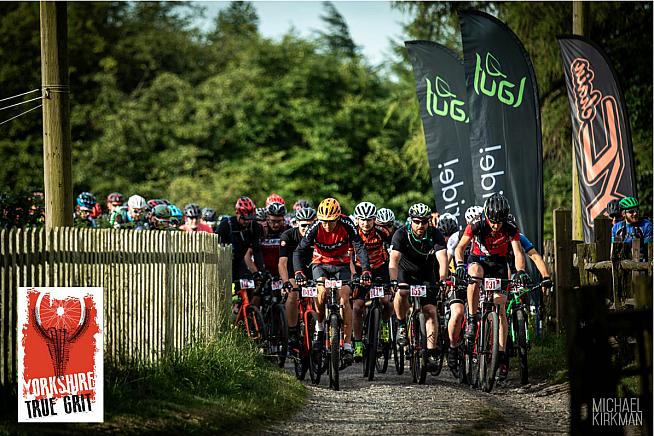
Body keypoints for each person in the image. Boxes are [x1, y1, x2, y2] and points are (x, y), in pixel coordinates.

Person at [454, 193, 529, 381]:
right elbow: (460, 248)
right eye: (493, 221)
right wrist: (460, 265)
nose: (496, 225)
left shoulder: (510, 226)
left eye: (499, 222)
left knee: (500, 306)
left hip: (498, 264)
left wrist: (520, 271)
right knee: (474, 274)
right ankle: (472, 319)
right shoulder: (477, 223)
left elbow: (518, 252)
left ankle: (501, 354)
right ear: (486, 215)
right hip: (478, 260)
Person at [293, 197, 371, 367]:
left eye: (331, 221)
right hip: (320, 263)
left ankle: (348, 345)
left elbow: (359, 247)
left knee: (344, 297)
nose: (327, 225)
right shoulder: (315, 226)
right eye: (324, 221)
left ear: (338, 218)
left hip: (341, 264)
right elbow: (299, 251)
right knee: (321, 292)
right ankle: (320, 327)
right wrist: (298, 272)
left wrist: (365, 270)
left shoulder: (347, 223)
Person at [390, 203, 448, 371]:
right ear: (411, 220)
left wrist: (443, 279)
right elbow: (393, 260)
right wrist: (393, 280)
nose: (420, 225)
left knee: (430, 311)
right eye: (417, 221)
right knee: (402, 292)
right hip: (405, 272)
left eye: (424, 222)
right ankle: (402, 324)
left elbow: (442, 259)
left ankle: (430, 352)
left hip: (426, 274)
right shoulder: (401, 233)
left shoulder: (435, 234)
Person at [350, 201, 393, 361]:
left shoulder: (383, 232)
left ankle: (384, 325)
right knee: (357, 307)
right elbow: (349, 257)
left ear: (374, 219)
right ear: (357, 220)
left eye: (369, 219)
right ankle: (358, 343)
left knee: (386, 301)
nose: (366, 223)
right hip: (360, 269)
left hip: (380, 268)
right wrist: (354, 275)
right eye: (362, 219)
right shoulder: (353, 233)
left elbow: (393, 252)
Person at [278, 207, 317, 351]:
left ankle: (319, 330)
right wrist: (285, 282)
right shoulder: (288, 236)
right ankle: (293, 330)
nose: (307, 229)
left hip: (311, 269)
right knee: (293, 294)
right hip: (292, 269)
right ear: (297, 223)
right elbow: (282, 263)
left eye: (310, 225)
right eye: (304, 225)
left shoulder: (318, 235)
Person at [217, 196, 266, 289]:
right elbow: (217, 249)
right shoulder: (225, 225)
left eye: (250, 218)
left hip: (245, 265)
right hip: (227, 264)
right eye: (244, 218)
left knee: (253, 289)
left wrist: (261, 271)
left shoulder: (255, 226)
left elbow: (257, 251)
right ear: (237, 213)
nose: (247, 222)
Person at [611, 196, 652, 261]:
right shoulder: (616, 228)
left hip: (642, 263)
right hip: (623, 263)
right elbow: (615, 250)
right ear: (623, 214)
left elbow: (650, 251)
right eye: (631, 211)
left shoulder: (646, 225)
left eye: (636, 210)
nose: (635, 213)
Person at [260, 201, 289, 274]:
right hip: (264, 272)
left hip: (283, 272)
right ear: (267, 218)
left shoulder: (288, 230)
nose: (276, 224)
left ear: (283, 219)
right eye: (273, 221)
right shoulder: (261, 230)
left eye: (279, 221)